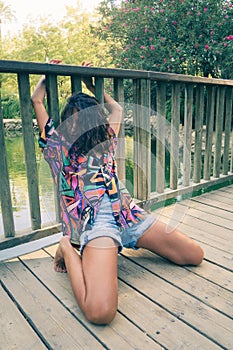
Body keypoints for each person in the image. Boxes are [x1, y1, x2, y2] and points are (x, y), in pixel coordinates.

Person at [31, 60, 204, 325]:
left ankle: (117, 244)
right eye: (78, 119)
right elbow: (37, 101)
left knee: (194, 255)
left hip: (127, 213)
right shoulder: (58, 148)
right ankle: (67, 246)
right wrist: (46, 75)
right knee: (100, 312)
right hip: (96, 224)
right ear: (69, 123)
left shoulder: (106, 140)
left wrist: (93, 83)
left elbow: (116, 108)